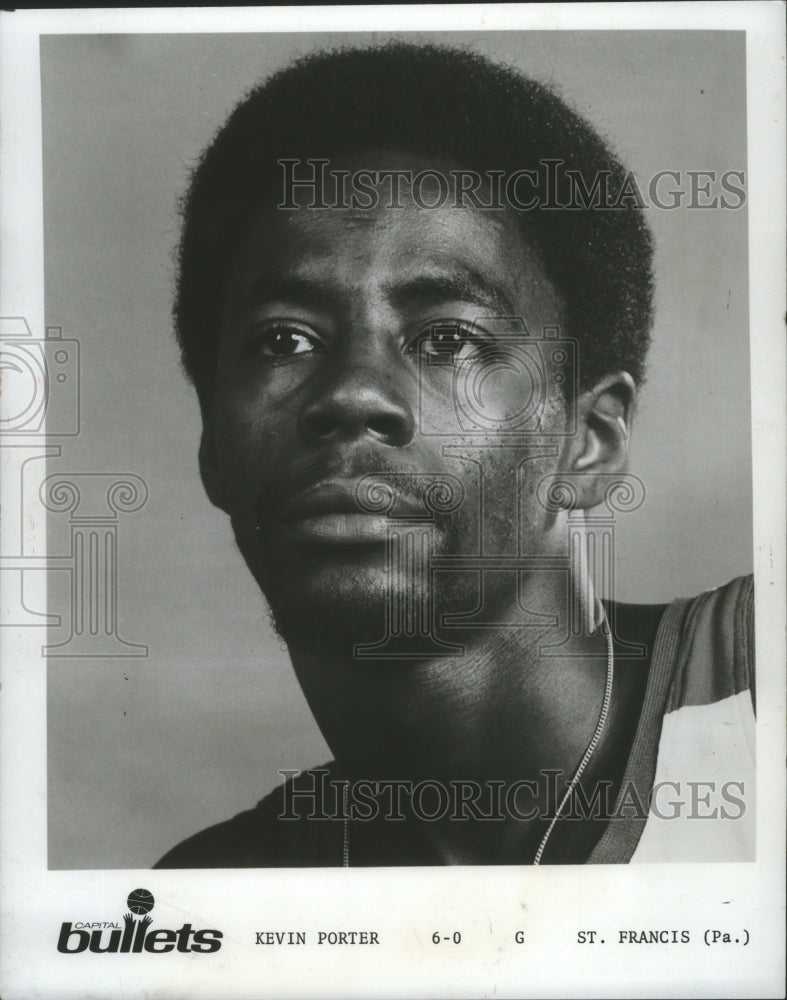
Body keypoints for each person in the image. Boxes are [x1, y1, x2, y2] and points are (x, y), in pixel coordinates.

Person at [155, 42, 754, 868]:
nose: (353, 394)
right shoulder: (214, 893)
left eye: (448, 339)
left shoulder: (755, 672)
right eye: (284, 338)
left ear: (589, 440)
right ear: (211, 444)